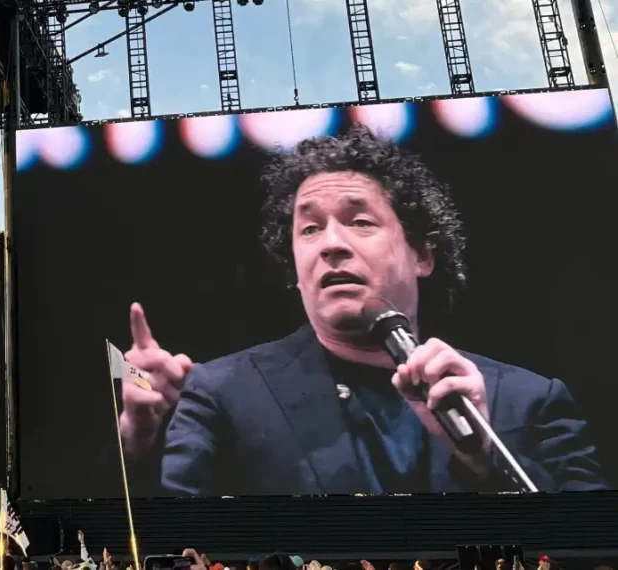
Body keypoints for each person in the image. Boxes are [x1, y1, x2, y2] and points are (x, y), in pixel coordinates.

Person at [120, 126, 608, 495]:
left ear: (422, 255)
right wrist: (136, 445)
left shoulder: (531, 400)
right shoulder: (223, 394)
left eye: (360, 221)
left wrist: (483, 458)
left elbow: (594, 548)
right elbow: (170, 545)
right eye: (310, 229)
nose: (330, 244)